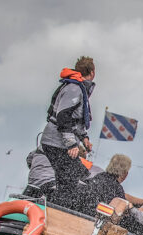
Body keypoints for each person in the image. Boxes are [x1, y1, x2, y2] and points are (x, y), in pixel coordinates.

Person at [40, 56, 97, 209]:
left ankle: (57, 206)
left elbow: (75, 120)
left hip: (60, 144)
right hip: (55, 143)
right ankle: (56, 212)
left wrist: (84, 138)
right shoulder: (74, 89)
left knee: (83, 176)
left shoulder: (79, 88)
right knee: (69, 181)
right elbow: (63, 116)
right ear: (92, 73)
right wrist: (72, 144)